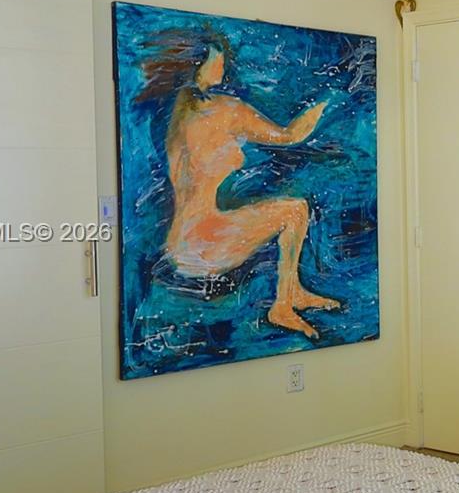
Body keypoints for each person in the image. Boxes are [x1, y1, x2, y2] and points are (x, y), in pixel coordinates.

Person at [134, 25, 341, 338]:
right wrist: (328, 100)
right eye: (215, 61)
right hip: (205, 246)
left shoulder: (178, 113)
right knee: (295, 211)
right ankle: (282, 306)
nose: (222, 66)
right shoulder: (226, 110)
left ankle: (293, 291)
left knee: (292, 210)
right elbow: (290, 135)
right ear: (196, 68)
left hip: (180, 245)